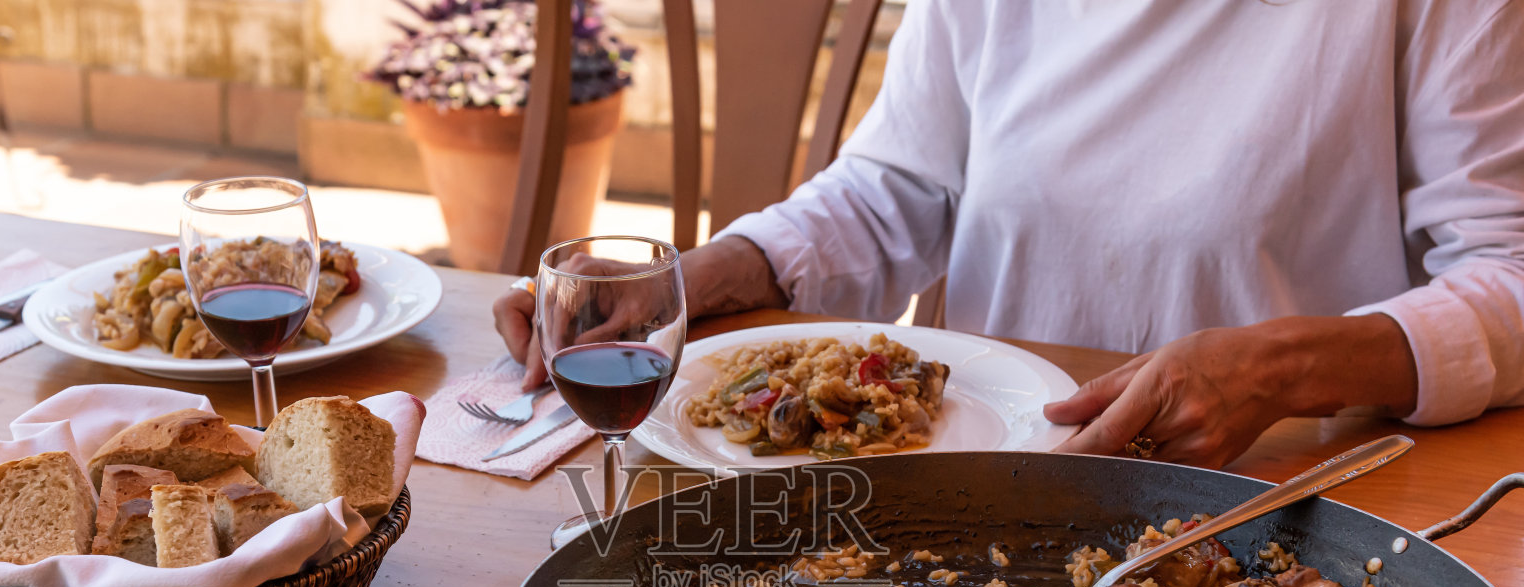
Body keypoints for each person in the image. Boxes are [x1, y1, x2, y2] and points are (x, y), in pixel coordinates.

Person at [496, 0, 1524, 467]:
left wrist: (1286, 367)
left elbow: (1510, 273)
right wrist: (705, 275)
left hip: (1282, 489)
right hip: (989, 486)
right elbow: (897, 189)